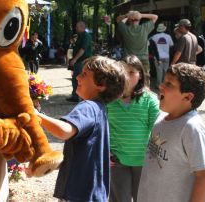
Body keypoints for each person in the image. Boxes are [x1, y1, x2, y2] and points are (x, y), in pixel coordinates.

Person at [35, 56, 126, 201]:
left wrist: (36, 115)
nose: (77, 76)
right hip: (92, 194)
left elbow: (64, 131)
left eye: (84, 74)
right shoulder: (100, 109)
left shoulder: (88, 107)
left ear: (101, 85)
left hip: (78, 194)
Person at [137, 63, 205, 202]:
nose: (161, 86)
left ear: (187, 97)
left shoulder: (192, 128)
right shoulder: (160, 118)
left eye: (169, 84)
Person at [107, 55, 159, 202]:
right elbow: (101, 129)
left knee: (142, 198)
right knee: (119, 198)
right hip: (116, 160)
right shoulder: (109, 100)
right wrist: (105, 150)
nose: (127, 77)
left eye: (131, 72)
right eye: (122, 72)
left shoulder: (150, 99)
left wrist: (155, 156)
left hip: (144, 160)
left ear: (140, 75)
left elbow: (158, 128)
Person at [116, 11, 158, 87]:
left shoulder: (125, 29)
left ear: (129, 20)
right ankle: (146, 95)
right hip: (143, 59)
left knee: (128, 80)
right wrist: (140, 15)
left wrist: (127, 15)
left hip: (129, 60)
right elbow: (155, 16)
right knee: (145, 80)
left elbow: (118, 20)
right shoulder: (145, 28)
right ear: (139, 19)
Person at [66, 21, 92, 102]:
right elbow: (73, 48)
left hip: (83, 61)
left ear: (82, 27)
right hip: (78, 61)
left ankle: (84, 97)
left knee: (82, 79)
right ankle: (75, 95)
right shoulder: (79, 36)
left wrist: (74, 59)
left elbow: (83, 49)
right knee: (75, 78)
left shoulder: (86, 36)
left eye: (77, 27)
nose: (76, 28)